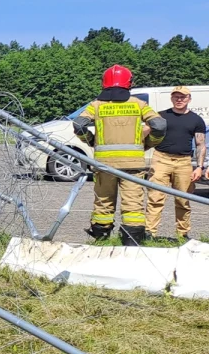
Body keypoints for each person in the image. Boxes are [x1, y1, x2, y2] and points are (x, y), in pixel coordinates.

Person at [72, 65, 166, 245]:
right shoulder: (138, 104)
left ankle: (101, 242)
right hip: (133, 165)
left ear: (104, 83)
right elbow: (160, 126)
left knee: (103, 204)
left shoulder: (96, 105)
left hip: (104, 164)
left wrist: (90, 140)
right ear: (129, 83)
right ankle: (131, 245)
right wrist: (148, 143)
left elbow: (79, 125)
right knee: (133, 207)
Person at [145, 86, 206, 240]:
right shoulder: (161, 116)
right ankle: (149, 233)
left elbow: (200, 144)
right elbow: (145, 132)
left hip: (184, 162)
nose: (179, 100)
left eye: (183, 97)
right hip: (161, 159)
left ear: (189, 99)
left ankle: (182, 235)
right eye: (176, 97)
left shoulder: (196, 120)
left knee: (183, 200)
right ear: (171, 98)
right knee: (155, 197)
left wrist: (199, 167)